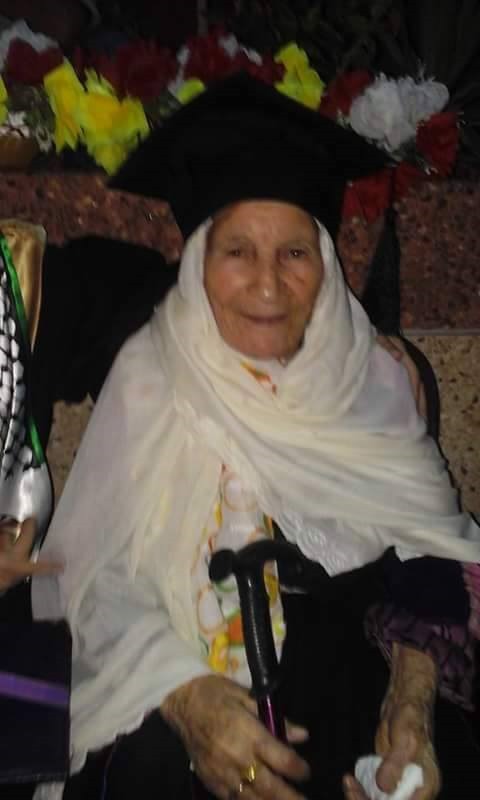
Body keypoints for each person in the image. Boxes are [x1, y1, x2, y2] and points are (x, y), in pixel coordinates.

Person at [32, 74, 480, 800]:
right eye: (238, 251)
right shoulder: (153, 375)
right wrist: (187, 698)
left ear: (325, 263)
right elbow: (96, 579)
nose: (268, 285)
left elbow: (431, 555)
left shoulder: (372, 378)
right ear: (199, 264)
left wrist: (410, 709)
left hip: (355, 708)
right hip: (182, 698)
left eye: (294, 253)